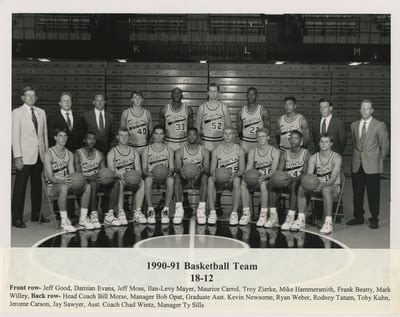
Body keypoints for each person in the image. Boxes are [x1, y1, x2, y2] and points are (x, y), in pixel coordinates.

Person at [285, 133, 342, 234]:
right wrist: (309, 184)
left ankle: (328, 223)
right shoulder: (314, 157)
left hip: (332, 187)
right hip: (317, 186)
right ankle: (301, 219)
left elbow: (333, 178)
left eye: (326, 142)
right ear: (319, 143)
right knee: (302, 187)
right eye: (322, 142)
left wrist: (322, 185)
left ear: (331, 144)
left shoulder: (337, 157)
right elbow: (309, 175)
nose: (324, 144)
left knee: (326, 189)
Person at [347, 99, 389, 229]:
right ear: (360, 110)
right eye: (362, 108)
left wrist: (378, 160)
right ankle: (358, 217)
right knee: (357, 192)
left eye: (367, 108)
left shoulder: (379, 125)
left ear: (372, 110)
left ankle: (374, 218)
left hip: (372, 164)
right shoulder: (354, 125)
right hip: (357, 163)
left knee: (373, 193)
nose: (364, 110)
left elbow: (385, 145)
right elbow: (355, 143)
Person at [12, 86, 49, 228]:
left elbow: (44, 134)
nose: (31, 98)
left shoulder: (41, 112)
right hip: (24, 155)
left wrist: (45, 153)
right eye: (28, 96)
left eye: (33, 96)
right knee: (20, 188)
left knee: (37, 186)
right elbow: (15, 136)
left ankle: (36, 214)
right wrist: (17, 156)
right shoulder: (17, 112)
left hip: (39, 155)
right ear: (23, 98)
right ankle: (16, 218)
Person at [43, 128, 93, 232]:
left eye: (65, 135)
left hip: (67, 183)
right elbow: (50, 177)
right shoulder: (48, 153)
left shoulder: (69, 154)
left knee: (87, 186)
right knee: (64, 187)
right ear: (55, 138)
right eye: (60, 135)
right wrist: (63, 181)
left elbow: (72, 174)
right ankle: (64, 221)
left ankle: (83, 218)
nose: (63, 138)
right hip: (52, 186)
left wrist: (77, 180)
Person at [74, 131, 120, 228]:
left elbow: (103, 172)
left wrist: (108, 177)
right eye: (89, 139)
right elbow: (78, 175)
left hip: (97, 181)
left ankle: (109, 214)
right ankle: (93, 214)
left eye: (93, 139)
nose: (92, 141)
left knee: (115, 183)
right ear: (84, 140)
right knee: (93, 183)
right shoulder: (78, 153)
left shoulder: (100, 154)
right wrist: (88, 177)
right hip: (84, 183)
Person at [268, 130, 310, 227]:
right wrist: (278, 178)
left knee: (294, 185)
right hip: (286, 181)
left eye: (296, 138)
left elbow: (306, 174)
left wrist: (293, 179)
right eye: (292, 138)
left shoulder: (306, 153)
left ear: (301, 140)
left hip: (298, 182)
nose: (293, 140)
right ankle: (273, 217)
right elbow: (279, 170)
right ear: (289, 140)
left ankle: (290, 217)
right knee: (272, 185)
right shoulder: (285, 154)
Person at [107, 127, 147, 226]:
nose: (124, 138)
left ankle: (137, 212)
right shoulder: (112, 152)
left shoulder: (134, 152)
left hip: (131, 178)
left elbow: (139, 170)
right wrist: (122, 176)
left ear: (129, 137)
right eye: (121, 135)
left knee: (142, 182)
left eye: (126, 136)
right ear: (117, 137)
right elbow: (112, 172)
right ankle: (121, 212)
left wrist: (133, 176)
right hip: (120, 179)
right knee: (119, 183)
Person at [240, 128, 280, 226]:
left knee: (263, 185)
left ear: (268, 137)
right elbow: (248, 169)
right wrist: (247, 177)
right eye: (259, 137)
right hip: (256, 178)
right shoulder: (252, 152)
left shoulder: (275, 152)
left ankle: (263, 215)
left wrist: (262, 178)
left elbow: (273, 172)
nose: (261, 139)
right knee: (243, 183)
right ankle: (246, 214)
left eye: (263, 136)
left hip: (268, 179)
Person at [207, 127, 245, 226]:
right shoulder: (216, 150)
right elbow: (212, 170)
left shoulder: (240, 150)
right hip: (220, 179)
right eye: (226, 133)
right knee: (210, 180)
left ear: (234, 135)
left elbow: (241, 170)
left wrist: (234, 175)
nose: (228, 136)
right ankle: (212, 213)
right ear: (222, 135)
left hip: (232, 179)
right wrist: (216, 175)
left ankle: (234, 213)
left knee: (237, 181)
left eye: (230, 133)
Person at [174, 127, 210, 224]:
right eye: (190, 134)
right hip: (185, 179)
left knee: (205, 177)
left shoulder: (204, 151)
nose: (192, 137)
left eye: (194, 134)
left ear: (197, 137)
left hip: (198, 179)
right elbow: (177, 168)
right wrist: (183, 171)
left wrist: (198, 172)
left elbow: (206, 169)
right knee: (177, 177)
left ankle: (201, 210)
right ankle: (179, 210)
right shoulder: (179, 151)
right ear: (187, 137)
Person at [142, 125, 175, 224]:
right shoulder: (146, 149)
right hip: (152, 176)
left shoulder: (169, 150)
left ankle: (166, 210)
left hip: (164, 176)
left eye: (161, 134)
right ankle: (151, 210)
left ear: (164, 135)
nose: (158, 136)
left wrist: (170, 172)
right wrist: (148, 173)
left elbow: (172, 167)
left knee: (171, 180)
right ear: (153, 135)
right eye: (156, 134)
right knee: (147, 180)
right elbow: (144, 168)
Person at [196, 83, 232, 152]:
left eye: (215, 91)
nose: (213, 93)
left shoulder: (224, 108)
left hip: (220, 143)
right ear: (208, 93)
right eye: (211, 91)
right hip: (205, 143)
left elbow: (229, 127)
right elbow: (198, 128)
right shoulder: (202, 108)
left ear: (218, 92)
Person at [237, 87, 270, 153]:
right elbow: (239, 129)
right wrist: (244, 138)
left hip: (258, 142)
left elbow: (267, 129)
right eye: (249, 94)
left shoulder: (263, 111)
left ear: (257, 96)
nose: (251, 96)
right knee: (244, 162)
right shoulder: (241, 111)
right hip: (245, 143)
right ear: (246, 96)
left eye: (253, 94)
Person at [159, 87, 194, 151]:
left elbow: (190, 128)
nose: (177, 95)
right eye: (174, 93)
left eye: (179, 93)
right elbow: (161, 128)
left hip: (183, 142)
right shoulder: (164, 110)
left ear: (182, 96)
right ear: (171, 95)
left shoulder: (188, 110)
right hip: (168, 142)